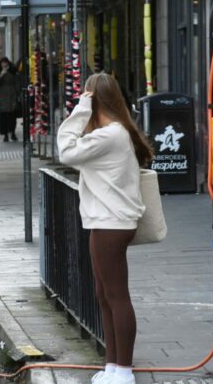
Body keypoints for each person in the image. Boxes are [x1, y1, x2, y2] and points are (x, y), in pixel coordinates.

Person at [57, 73, 152, 384]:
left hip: (111, 223)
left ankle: (124, 371)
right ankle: (113, 366)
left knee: (116, 295)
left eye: (86, 97)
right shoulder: (115, 133)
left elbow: (66, 152)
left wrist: (79, 111)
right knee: (104, 294)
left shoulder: (109, 135)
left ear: (93, 100)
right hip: (108, 221)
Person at [0, 57, 19, 142]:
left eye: (5, 63)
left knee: (12, 117)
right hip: (2, 98)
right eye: (2, 63)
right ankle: (5, 134)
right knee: (3, 117)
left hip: (11, 97)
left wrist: (17, 94)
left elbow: (16, 82)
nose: (4, 64)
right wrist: (1, 75)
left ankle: (12, 132)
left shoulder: (12, 71)